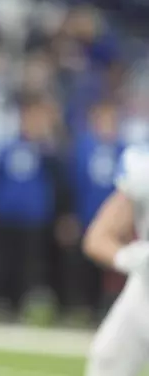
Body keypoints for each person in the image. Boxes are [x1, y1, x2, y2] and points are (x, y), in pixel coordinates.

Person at [83, 145, 149, 376]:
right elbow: (97, 237)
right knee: (108, 358)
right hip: (145, 291)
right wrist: (131, 258)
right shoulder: (143, 167)